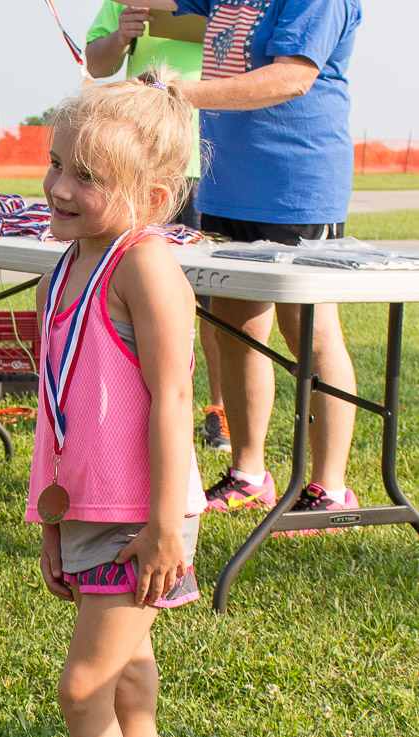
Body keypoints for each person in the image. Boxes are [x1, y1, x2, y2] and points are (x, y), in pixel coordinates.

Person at [17, 70, 207, 737]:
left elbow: (172, 399)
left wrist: (164, 524)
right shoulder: (64, 267)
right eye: (58, 163)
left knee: (83, 685)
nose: (59, 186)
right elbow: (60, 408)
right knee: (128, 680)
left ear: (153, 196)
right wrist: (53, 523)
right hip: (90, 513)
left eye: (87, 177)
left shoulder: (147, 266)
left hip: (143, 519)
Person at [174, 0, 362, 526]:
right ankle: (249, 475)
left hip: (295, 186)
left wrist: (178, 93)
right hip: (228, 185)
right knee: (236, 328)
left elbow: (291, 78)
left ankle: (331, 488)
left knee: (309, 329)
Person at [86, 2, 231, 452]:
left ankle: (219, 411)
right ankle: (135, 403)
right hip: (143, 164)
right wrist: (120, 36)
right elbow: (96, 64)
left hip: (213, 160)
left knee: (214, 299)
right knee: (139, 288)